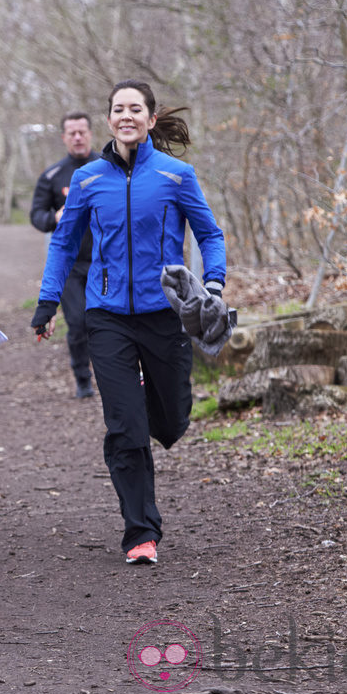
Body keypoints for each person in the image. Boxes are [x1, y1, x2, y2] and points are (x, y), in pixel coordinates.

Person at [30, 80, 226, 566]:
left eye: (135, 108)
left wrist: (214, 287)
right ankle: (141, 531)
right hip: (107, 316)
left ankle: (155, 412)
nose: (126, 116)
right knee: (125, 427)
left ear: (150, 118)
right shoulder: (89, 180)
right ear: (110, 118)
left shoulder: (177, 175)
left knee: (173, 420)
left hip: (166, 315)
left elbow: (209, 235)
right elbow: (62, 242)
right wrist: (47, 301)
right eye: (118, 108)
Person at [30, 112, 100, 398]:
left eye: (82, 131)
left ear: (91, 133)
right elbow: (36, 215)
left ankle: (114, 376)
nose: (78, 137)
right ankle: (82, 378)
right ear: (64, 137)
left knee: (107, 321)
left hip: (106, 262)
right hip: (71, 265)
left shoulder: (108, 167)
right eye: (72, 133)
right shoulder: (52, 175)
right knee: (78, 322)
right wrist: (54, 217)